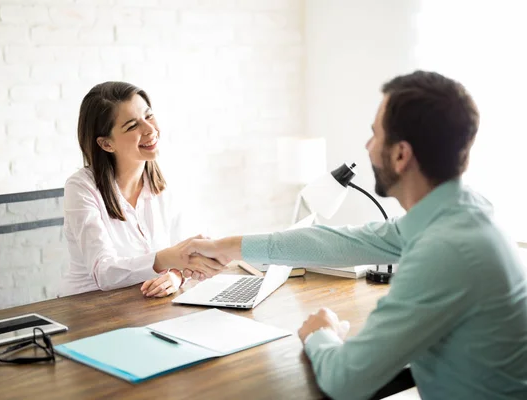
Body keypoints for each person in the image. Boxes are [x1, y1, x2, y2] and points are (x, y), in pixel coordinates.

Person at [182, 71, 527, 399]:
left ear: (401, 154)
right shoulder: (462, 211)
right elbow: (344, 242)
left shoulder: (446, 250)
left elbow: (346, 381)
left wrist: (320, 333)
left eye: (374, 134)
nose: (367, 145)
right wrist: (230, 247)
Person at [61, 81, 224, 298]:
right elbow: (105, 273)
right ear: (106, 144)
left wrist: (176, 276)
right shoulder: (81, 188)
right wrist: (169, 259)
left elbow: (185, 252)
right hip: (90, 308)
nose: (150, 129)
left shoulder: (164, 183)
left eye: (148, 116)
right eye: (131, 126)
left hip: (145, 304)